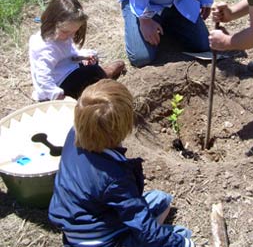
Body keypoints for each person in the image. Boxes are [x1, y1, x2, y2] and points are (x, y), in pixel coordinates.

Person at [48, 79, 195, 247]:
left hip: (78, 221)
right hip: (99, 240)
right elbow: (146, 231)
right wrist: (185, 244)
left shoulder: (74, 134)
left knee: (162, 200)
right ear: (124, 127)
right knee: (181, 235)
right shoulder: (114, 177)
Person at [29, 0, 125, 101]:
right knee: (92, 72)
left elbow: (65, 54)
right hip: (57, 87)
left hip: (66, 73)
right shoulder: (45, 48)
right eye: (66, 32)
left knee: (92, 64)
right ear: (52, 23)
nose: (70, 36)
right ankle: (105, 75)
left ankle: (100, 76)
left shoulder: (60, 36)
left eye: (74, 32)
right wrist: (60, 97)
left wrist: (80, 56)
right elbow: (43, 79)